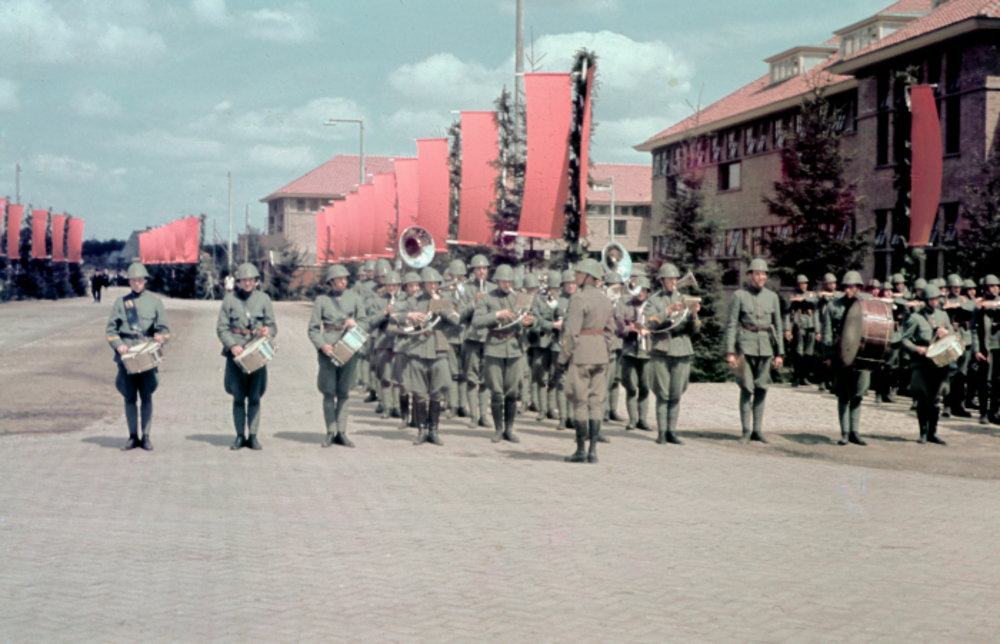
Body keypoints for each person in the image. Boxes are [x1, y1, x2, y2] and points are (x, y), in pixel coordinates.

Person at [105, 263, 170, 451]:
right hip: (127, 357)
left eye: (140, 280)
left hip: (147, 356)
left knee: (147, 396)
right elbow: (111, 331)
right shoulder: (121, 303)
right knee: (129, 397)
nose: (137, 283)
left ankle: (146, 436)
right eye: (133, 280)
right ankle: (133, 437)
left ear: (145, 280)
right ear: (129, 282)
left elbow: (165, 330)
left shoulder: (155, 302)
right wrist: (119, 345)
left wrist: (161, 337)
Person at [393, 267, 461, 446]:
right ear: (423, 284)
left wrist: (440, 305)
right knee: (419, 393)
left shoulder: (444, 301)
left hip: (439, 350)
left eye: (435, 283)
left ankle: (434, 431)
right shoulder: (413, 301)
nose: (433, 286)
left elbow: (455, 320)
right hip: (418, 349)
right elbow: (394, 318)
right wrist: (408, 315)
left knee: (437, 393)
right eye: (429, 283)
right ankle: (422, 431)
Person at [216, 263, 277, 451]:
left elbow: (272, 326)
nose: (248, 283)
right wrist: (232, 345)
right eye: (244, 280)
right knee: (238, 398)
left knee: (255, 397)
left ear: (256, 281)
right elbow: (222, 328)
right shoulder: (229, 300)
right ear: (239, 281)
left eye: (251, 280)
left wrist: (268, 331)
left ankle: (253, 436)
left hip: (257, 354)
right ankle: (239, 436)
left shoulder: (264, 299)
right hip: (236, 355)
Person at [559, 258, 614, 463]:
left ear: (589, 276)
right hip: (600, 355)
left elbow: (571, 333)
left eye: (579, 273)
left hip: (582, 354)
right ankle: (593, 452)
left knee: (580, 402)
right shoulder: (606, 300)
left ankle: (581, 450)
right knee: (596, 403)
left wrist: (563, 358)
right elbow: (610, 332)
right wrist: (604, 350)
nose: (576, 276)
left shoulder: (578, 299)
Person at [308, 264, 369, 448]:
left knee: (344, 392)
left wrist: (354, 323)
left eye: (345, 279)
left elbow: (365, 323)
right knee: (328, 392)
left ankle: (341, 432)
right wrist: (322, 344)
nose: (343, 282)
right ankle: (330, 432)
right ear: (331, 281)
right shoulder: (322, 300)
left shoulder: (355, 298)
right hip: (329, 350)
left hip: (349, 347)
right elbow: (313, 329)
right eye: (339, 279)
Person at [724, 258, 784, 444]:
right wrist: (729, 352)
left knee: (762, 388)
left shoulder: (772, 297)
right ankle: (745, 431)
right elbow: (731, 325)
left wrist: (779, 353)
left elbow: (778, 326)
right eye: (757, 274)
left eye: (764, 274)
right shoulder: (739, 296)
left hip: (766, 347)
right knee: (746, 388)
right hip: (744, 348)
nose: (761, 278)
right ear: (750, 275)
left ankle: (757, 431)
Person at [472, 264, 535, 443]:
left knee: (512, 391)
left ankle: (509, 429)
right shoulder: (486, 298)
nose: (508, 284)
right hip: (494, 347)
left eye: (510, 281)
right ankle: (498, 429)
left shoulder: (519, 298)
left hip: (514, 347)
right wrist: (496, 314)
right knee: (497, 392)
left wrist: (530, 321)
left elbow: (530, 318)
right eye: (504, 281)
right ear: (497, 281)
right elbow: (476, 321)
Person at [645, 264, 700, 445]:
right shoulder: (654, 300)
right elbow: (649, 323)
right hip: (661, 349)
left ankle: (671, 432)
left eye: (676, 279)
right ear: (662, 280)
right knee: (662, 393)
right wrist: (668, 310)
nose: (674, 282)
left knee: (676, 393)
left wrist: (693, 315)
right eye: (670, 279)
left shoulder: (684, 299)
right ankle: (661, 432)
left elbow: (694, 331)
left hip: (682, 349)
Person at [900, 284, 954, 445]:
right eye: (931, 299)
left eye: (936, 299)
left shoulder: (943, 315)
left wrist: (947, 333)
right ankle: (923, 432)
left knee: (936, 399)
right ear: (925, 300)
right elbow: (905, 339)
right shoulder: (916, 317)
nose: (934, 302)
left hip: (939, 362)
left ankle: (933, 432)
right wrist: (916, 349)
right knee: (922, 397)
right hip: (922, 362)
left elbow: (953, 335)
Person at [821, 271, 869, 446]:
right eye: (846, 287)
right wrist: (828, 355)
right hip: (840, 354)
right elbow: (826, 333)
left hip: (861, 354)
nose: (848, 290)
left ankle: (854, 432)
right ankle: (844, 433)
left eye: (852, 287)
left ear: (859, 288)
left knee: (858, 394)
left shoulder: (866, 306)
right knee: (843, 394)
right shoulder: (833, 306)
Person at [459, 254, 494, 428]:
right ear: (473, 270)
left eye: (484, 268)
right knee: (472, 378)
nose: (482, 271)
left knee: (486, 378)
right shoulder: (465, 289)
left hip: (489, 338)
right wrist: (474, 302)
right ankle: (473, 416)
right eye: (478, 268)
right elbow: (459, 315)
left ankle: (484, 416)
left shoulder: (493, 288)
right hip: (472, 337)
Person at [616, 276, 653, 431]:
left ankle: (642, 420)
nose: (641, 293)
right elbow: (616, 326)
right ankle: (632, 420)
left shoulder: (652, 306)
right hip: (630, 351)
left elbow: (660, 325)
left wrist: (650, 330)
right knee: (630, 386)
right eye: (638, 290)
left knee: (645, 386)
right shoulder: (624, 305)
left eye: (644, 290)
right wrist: (628, 328)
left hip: (647, 351)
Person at [529, 271, 561, 422]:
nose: (555, 289)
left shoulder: (563, 300)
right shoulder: (538, 299)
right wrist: (551, 325)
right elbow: (536, 320)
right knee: (541, 377)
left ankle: (551, 408)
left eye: (557, 287)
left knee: (554, 376)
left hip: (556, 341)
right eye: (553, 287)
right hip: (541, 342)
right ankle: (542, 409)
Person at [370, 271, 402, 419]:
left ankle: (397, 407)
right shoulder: (378, 301)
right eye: (389, 285)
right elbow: (372, 321)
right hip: (384, 341)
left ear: (399, 285)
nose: (392, 288)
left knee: (398, 377)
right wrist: (385, 312)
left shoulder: (404, 300)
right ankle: (387, 407)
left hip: (400, 342)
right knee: (386, 377)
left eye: (394, 285)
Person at [975, 275, 1000, 425]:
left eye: (997, 286)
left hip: (999, 346)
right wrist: (976, 350)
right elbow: (973, 330)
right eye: (992, 286)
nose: (995, 288)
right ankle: (983, 412)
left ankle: (994, 411)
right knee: (984, 381)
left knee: (998, 381)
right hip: (985, 347)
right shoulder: (978, 305)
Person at [785, 275, 818, 387]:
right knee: (798, 352)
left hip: (811, 326)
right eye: (801, 283)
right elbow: (787, 313)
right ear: (798, 284)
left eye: (805, 283)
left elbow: (815, 301)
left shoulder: (811, 294)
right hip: (799, 326)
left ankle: (805, 377)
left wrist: (802, 299)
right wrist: (787, 329)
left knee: (809, 353)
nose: (803, 285)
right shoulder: (793, 296)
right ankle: (797, 377)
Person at [602, 270, 625, 423]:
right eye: (613, 286)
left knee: (616, 379)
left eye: (618, 286)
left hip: (620, 343)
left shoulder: (623, 302)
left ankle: (613, 410)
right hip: (607, 343)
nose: (616, 289)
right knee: (606, 379)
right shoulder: (603, 301)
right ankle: (603, 410)